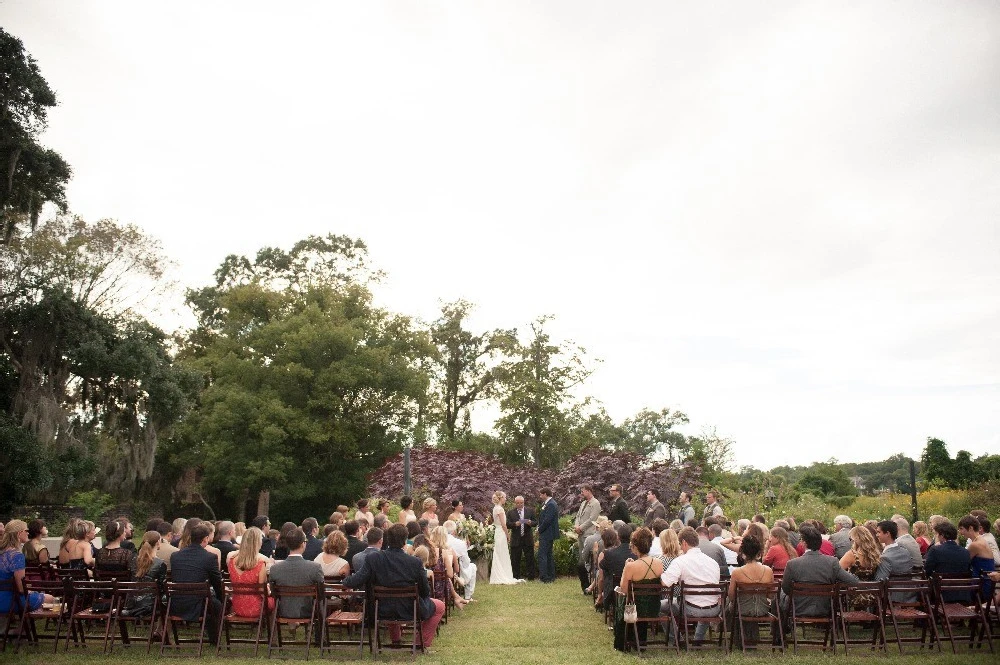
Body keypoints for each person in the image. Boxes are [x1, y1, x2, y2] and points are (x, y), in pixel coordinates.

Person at [342, 524, 446, 650]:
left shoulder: (374, 558)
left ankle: (396, 640)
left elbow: (356, 580)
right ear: (404, 541)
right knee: (440, 606)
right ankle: (420, 643)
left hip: (380, 609)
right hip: (409, 609)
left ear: (386, 540)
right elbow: (425, 592)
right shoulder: (414, 562)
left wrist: (343, 580)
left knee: (391, 598)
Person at [660, 527, 721, 645]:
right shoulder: (713, 563)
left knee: (659, 607)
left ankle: (677, 640)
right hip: (714, 609)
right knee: (705, 600)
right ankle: (698, 639)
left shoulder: (680, 561)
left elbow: (665, 583)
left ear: (684, 543)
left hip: (690, 609)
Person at [780, 526, 858, 619]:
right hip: (825, 608)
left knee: (780, 593)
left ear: (804, 543)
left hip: (798, 608)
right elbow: (852, 581)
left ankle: (781, 629)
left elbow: (786, 588)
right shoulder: (832, 562)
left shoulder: (792, 564)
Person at [169, 522, 224, 643]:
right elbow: (217, 582)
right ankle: (214, 639)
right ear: (206, 539)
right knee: (217, 604)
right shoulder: (209, 557)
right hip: (198, 604)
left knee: (212, 603)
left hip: (176, 602)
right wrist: (222, 598)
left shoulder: (175, 556)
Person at [614, 527, 663, 652]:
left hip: (634, 610)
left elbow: (624, 590)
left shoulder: (631, 566)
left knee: (621, 602)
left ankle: (623, 640)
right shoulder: (659, 563)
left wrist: (626, 567)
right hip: (654, 608)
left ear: (635, 546)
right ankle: (640, 641)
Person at [1, 520, 56, 616]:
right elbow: (21, 588)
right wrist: (32, 591)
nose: (28, 532)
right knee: (51, 599)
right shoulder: (16, 555)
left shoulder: (2, 552)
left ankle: (21, 627)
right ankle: (25, 627)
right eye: (26, 530)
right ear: (19, 533)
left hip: (4, 596)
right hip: (12, 600)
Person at [269, 528, 324, 620]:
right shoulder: (315, 568)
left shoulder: (275, 569)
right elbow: (321, 593)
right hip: (309, 611)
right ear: (303, 544)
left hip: (282, 610)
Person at [727, 535, 774, 644]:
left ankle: (736, 636)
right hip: (763, 609)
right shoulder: (768, 571)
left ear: (743, 554)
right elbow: (771, 595)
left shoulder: (737, 572)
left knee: (729, 604)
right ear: (759, 553)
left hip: (742, 609)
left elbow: (731, 596)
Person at [228, 527, 275, 618]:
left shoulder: (232, 561)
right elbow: (262, 590)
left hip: (237, 606)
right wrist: (269, 591)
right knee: (274, 601)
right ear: (257, 542)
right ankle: (271, 629)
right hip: (256, 608)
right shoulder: (260, 563)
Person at [925, 521, 971, 602]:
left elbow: (927, 571)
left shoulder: (935, 550)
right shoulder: (965, 552)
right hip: (963, 594)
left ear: (942, 535)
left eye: (937, 534)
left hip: (940, 595)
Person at [126, 531, 168, 617]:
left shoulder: (134, 560)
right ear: (158, 543)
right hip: (151, 604)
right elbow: (161, 587)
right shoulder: (160, 564)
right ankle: (161, 628)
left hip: (132, 603)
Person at [430, 526, 469, 608]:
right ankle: (456, 597)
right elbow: (451, 573)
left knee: (446, 577)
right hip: (440, 587)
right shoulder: (444, 552)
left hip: (427, 585)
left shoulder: (426, 550)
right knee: (448, 577)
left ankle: (456, 597)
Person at [959, 515, 995, 598]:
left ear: (970, 528)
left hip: (981, 585)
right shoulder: (981, 540)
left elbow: (963, 562)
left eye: (961, 529)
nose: (960, 532)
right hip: (984, 581)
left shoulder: (975, 545)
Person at [573, 486, 601, 592]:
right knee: (581, 560)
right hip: (580, 535)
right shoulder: (583, 503)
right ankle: (585, 586)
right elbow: (578, 517)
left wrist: (581, 527)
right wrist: (576, 526)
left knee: (586, 561)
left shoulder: (595, 503)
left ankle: (590, 586)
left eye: (583, 491)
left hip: (589, 535)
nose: (581, 493)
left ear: (589, 491)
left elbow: (592, 519)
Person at [600, 524, 634, 612]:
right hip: (632, 592)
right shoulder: (636, 555)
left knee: (606, 574)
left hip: (612, 593)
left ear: (618, 537)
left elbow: (601, 567)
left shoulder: (609, 553)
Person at [490, 491, 520, 584]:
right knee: (502, 552)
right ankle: (503, 575)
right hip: (501, 532)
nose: (505, 499)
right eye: (505, 497)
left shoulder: (495, 508)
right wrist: (508, 535)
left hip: (497, 532)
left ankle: (498, 575)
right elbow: (503, 524)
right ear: (501, 498)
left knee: (498, 553)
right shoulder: (500, 509)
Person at [444, 520, 477, 600]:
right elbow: (466, 562)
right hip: (457, 572)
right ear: (454, 531)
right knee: (473, 566)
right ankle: (468, 596)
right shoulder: (460, 543)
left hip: (442, 571)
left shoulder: (440, 541)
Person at [506, 495, 536, 581]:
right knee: (515, 559)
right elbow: (507, 524)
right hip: (516, 539)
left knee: (530, 558)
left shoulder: (530, 511)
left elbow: (535, 522)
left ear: (524, 502)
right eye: (518, 503)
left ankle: (531, 577)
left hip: (527, 539)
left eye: (521, 503)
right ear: (515, 503)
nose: (520, 504)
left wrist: (530, 522)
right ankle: (516, 577)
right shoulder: (510, 512)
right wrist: (515, 524)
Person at [537, 488, 559, 583]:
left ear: (545, 494)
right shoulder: (547, 504)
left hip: (547, 533)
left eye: (541, 494)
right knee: (548, 555)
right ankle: (550, 576)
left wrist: (539, 529)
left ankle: (544, 577)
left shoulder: (551, 504)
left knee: (543, 555)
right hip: (547, 533)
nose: (540, 496)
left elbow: (547, 520)